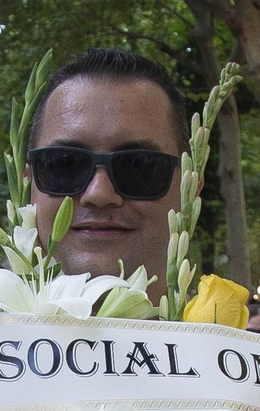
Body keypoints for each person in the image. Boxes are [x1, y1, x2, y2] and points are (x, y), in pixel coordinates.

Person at [26, 49, 185, 291]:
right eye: (65, 164)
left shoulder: (231, 329)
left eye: (138, 166)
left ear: (191, 191)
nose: (99, 194)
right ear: (28, 185)